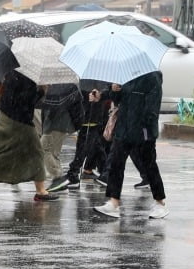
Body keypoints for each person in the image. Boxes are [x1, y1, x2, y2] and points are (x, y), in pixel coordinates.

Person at [94, 71, 169, 219]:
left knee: (149, 166)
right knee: (116, 164)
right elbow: (120, 100)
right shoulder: (125, 75)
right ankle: (114, 202)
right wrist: (114, 91)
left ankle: (160, 203)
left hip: (143, 130)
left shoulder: (152, 77)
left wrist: (145, 128)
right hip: (124, 128)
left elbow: (152, 108)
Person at [0, 70, 59, 202]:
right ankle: (40, 191)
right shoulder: (25, 76)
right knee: (33, 153)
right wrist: (42, 91)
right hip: (19, 121)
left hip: (10, 118)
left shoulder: (12, 73)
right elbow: (26, 101)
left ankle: (41, 191)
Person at [47, 82, 109, 192]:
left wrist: (98, 95)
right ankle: (106, 174)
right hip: (85, 113)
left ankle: (74, 174)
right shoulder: (86, 78)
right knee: (94, 145)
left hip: (90, 115)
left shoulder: (96, 79)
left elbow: (102, 91)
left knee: (84, 145)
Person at [40, 83, 83, 181]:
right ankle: (57, 177)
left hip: (57, 125)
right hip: (55, 124)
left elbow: (56, 107)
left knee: (44, 149)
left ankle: (58, 175)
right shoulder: (57, 86)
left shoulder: (61, 87)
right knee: (53, 152)